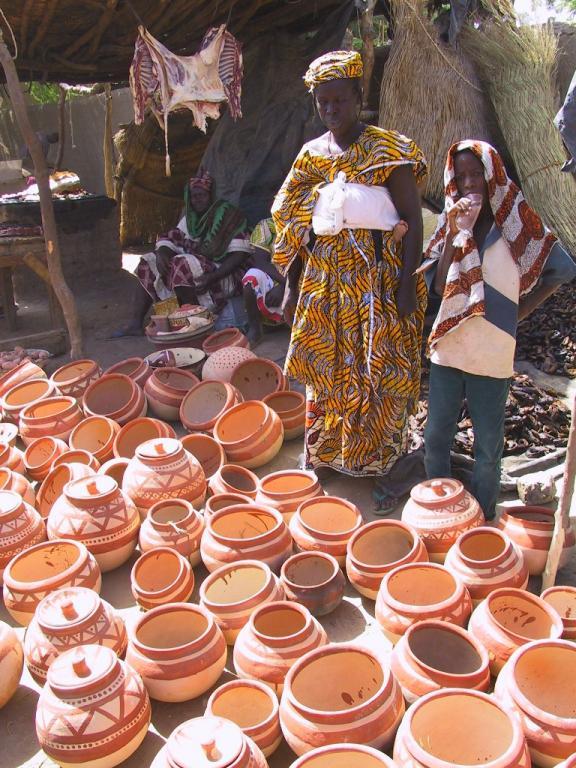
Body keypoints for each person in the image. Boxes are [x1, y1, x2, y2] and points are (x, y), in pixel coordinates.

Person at [272, 50, 427, 478]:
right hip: (323, 282)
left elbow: (412, 220)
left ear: (359, 97)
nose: (331, 110)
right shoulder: (311, 157)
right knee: (326, 366)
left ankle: (378, 461)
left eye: (340, 100)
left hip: (376, 282)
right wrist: (291, 287)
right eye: (323, 102)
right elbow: (295, 225)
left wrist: (406, 286)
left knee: (377, 366)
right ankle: (326, 455)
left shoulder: (386, 149)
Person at [423, 140, 576, 520]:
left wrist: (516, 313)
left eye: (477, 174)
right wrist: (456, 233)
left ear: (493, 176)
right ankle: (438, 515)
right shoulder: (450, 222)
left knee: (488, 448)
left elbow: (562, 270)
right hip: (450, 345)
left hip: (492, 351)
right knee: (436, 437)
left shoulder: (516, 221)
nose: (469, 183)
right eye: (461, 177)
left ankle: (483, 519)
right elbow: (439, 286)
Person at [115, 171, 252, 336]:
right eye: (194, 196)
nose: (198, 200)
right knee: (148, 261)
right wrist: (161, 253)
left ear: (211, 196)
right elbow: (171, 238)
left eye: (202, 195)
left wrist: (213, 277)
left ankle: (198, 326)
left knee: (181, 265)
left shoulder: (227, 216)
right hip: (199, 271)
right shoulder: (191, 220)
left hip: (225, 274)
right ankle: (136, 324)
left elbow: (240, 255)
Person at [242, 218, 286, 345]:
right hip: (276, 278)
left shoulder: (304, 225)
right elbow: (260, 262)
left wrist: (286, 287)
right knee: (251, 278)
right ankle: (255, 328)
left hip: (301, 278)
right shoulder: (266, 225)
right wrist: (284, 284)